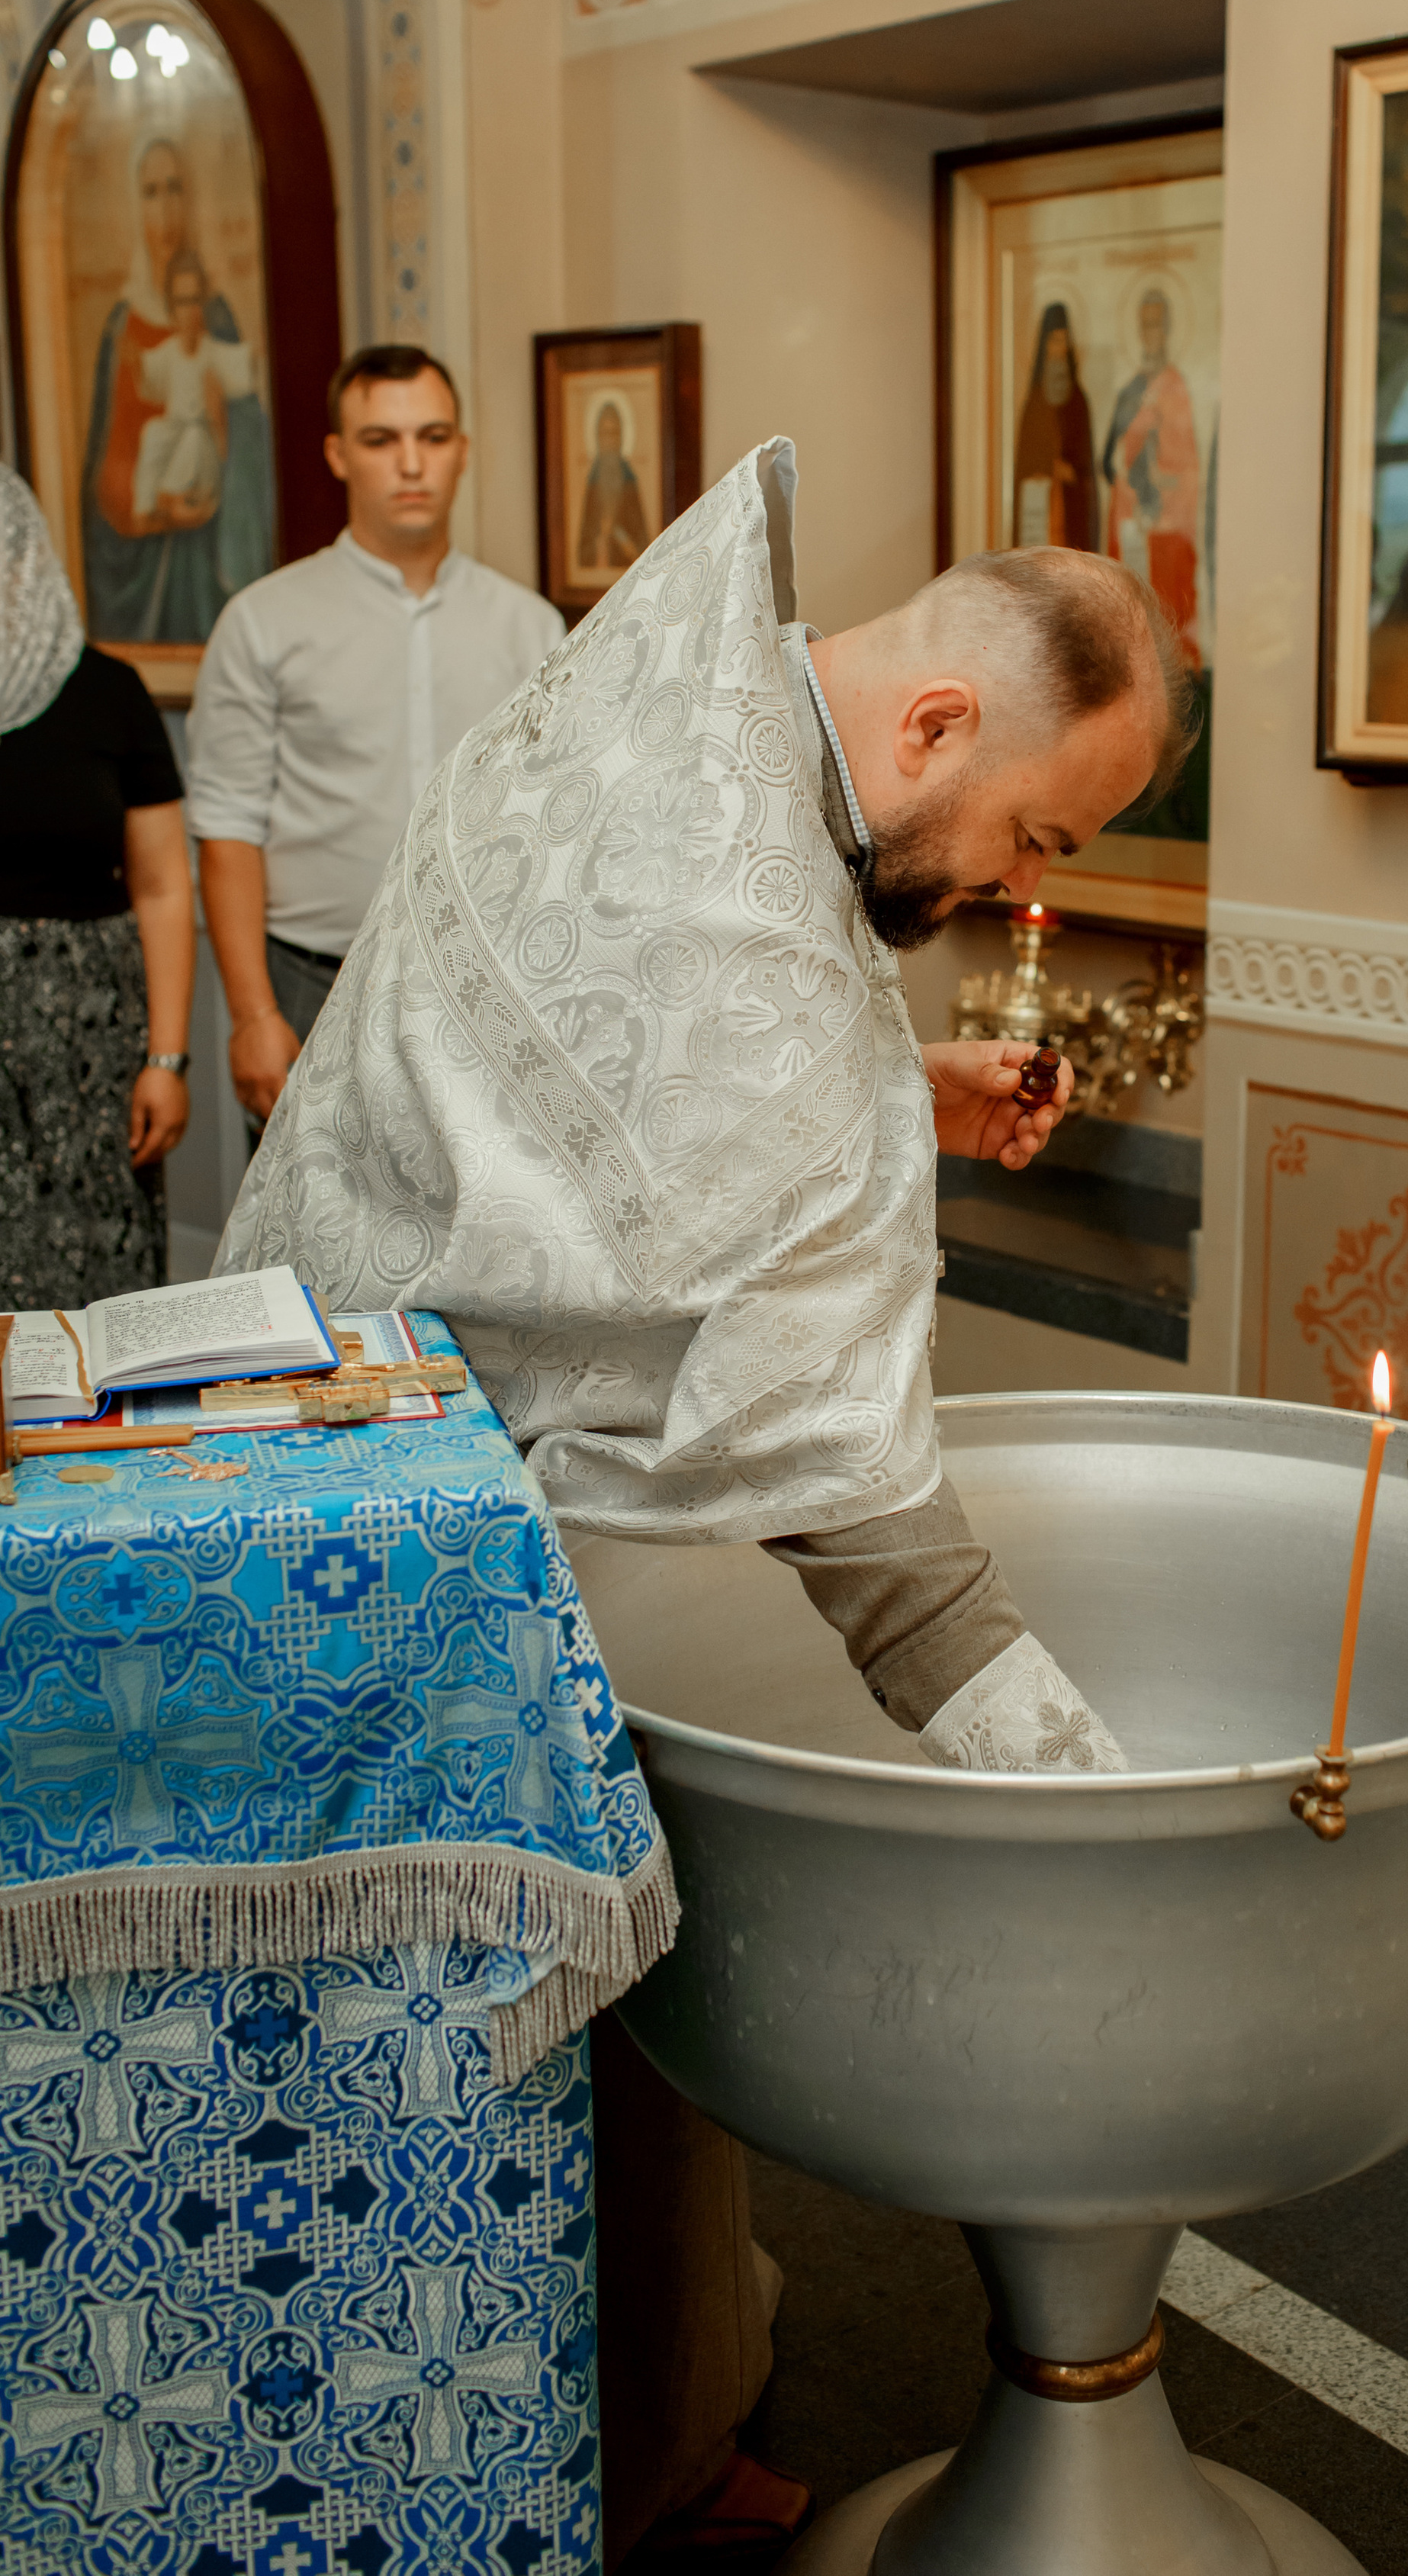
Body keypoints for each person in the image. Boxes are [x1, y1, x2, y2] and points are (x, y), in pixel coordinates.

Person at [214, 437, 1193, 2543]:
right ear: (938, 719)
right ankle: (604, 2472)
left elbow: (641, 1041)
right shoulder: (741, 922)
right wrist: (1092, 1797)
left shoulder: (685, 672)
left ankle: (675, 2391)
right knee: (521, 1995)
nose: (1027, 883)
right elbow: (860, 1507)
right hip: (398, 1502)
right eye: (1034, 826)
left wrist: (893, 1072)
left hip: (302, 1329)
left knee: (591, 1959)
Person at [188, 343, 563, 1129]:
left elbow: (550, 818)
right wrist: (254, 1014)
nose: (411, 465)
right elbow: (226, 828)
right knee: (304, 1238)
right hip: (309, 983)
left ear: (462, 451)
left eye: (432, 437)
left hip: (478, 979)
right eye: (380, 440)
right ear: (337, 455)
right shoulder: (263, 622)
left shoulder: (528, 626)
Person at [0, 465, 194, 1306]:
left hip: (94, 1040)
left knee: (101, 1282)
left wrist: (165, 1058)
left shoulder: (108, 693)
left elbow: (161, 888)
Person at [82, 135, 275, 641]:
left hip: (211, 559)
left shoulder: (217, 319)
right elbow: (106, 462)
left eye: (175, 189)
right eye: (150, 193)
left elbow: (253, 437)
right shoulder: (122, 328)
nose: (165, 210)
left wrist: (224, 424)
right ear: (133, 205)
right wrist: (157, 510)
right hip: (146, 560)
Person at [1102, 288, 1202, 662]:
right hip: (1130, 524)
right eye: (1144, 326)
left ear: (1169, 330)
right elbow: (1109, 459)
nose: (1150, 333)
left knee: (1164, 619)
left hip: (1166, 529)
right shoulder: (1130, 389)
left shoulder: (1176, 388)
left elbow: (1185, 461)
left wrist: (1160, 476)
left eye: (1157, 325)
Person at [133, 252, 257, 525]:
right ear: (171, 307)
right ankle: (145, 507)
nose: (189, 311)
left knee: (193, 437)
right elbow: (147, 379)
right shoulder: (167, 353)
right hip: (174, 429)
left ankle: (174, 501)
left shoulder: (214, 353)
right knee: (153, 433)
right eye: (181, 302)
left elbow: (245, 370)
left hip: (203, 439)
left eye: (195, 301)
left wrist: (218, 403)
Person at [1013, 301, 1099, 552]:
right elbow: (1024, 466)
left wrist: (1071, 474)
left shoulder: (1078, 403)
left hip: (1070, 513)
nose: (1059, 350)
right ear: (1044, 347)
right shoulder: (1035, 403)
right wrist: (1044, 469)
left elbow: (1087, 472)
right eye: (1053, 342)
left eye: (1064, 342)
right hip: (1040, 511)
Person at [577, 397, 651, 572]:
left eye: (614, 433)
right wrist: (598, 541)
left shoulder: (629, 481)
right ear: (597, 437)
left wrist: (621, 537)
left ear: (622, 436)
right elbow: (582, 550)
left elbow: (642, 542)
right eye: (605, 434)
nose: (610, 441)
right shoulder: (592, 482)